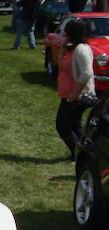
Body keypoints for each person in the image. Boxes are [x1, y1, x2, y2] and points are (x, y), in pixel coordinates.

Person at [55, 19, 95, 162]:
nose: (64, 34)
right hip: (69, 95)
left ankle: (78, 155)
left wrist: (74, 94)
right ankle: (83, 155)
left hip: (76, 96)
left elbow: (86, 73)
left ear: (73, 33)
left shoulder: (81, 49)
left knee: (62, 125)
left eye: (67, 31)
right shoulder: (73, 48)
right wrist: (62, 51)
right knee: (74, 126)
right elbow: (62, 66)